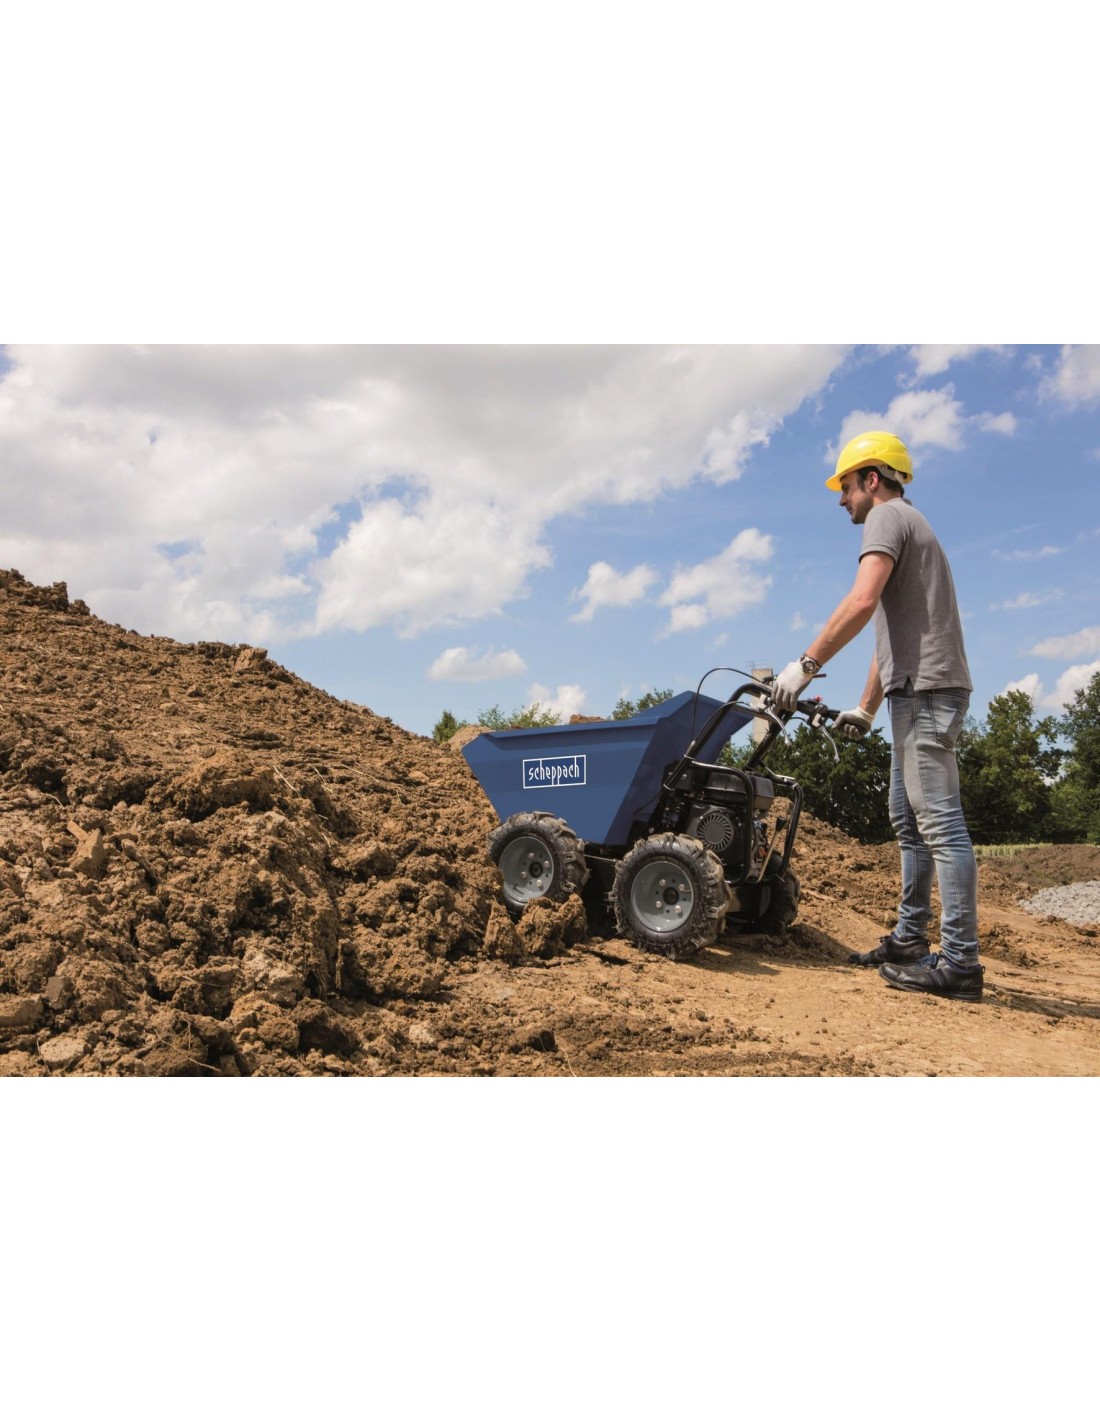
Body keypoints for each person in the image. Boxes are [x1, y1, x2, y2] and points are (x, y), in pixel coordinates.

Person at [771, 430, 983, 1003]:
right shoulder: (912, 524)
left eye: (845, 486)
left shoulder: (887, 518)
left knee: (939, 824)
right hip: (914, 692)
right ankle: (911, 940)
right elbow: (886, 633)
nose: (842, 499)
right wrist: (866, 708)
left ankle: (961, 964)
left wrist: (805, 665)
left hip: (928, 693)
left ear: (872, 479)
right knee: (908, 821)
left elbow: (861, 602)